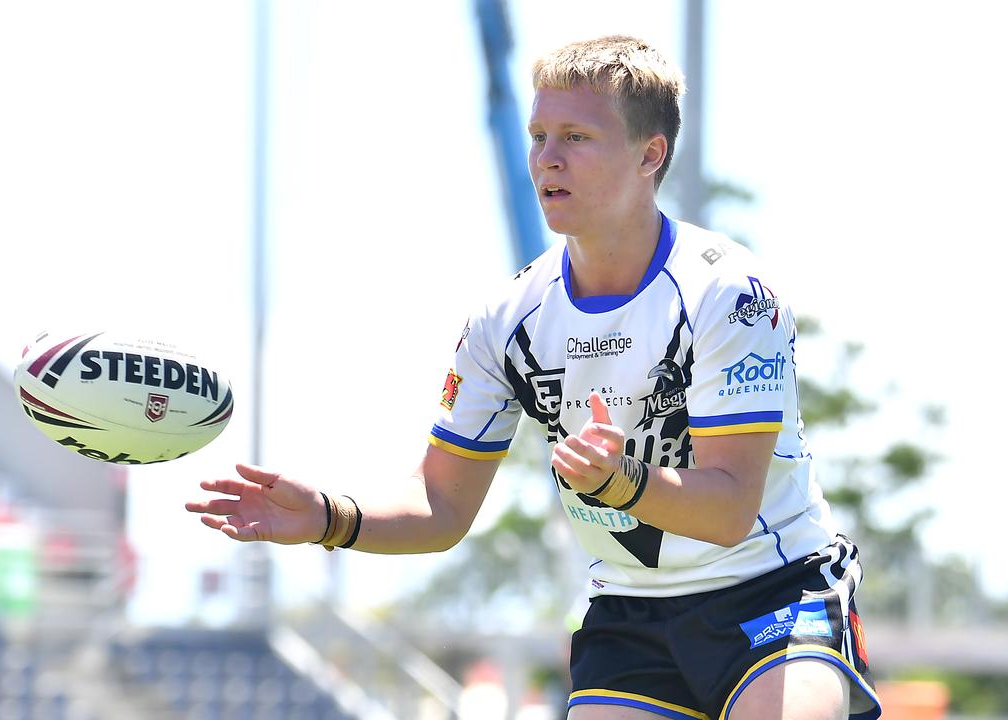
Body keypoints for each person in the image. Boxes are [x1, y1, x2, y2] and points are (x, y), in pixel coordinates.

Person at [187, 34, 880, 720]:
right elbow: (441, 507)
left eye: (576, 136)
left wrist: (622, 483)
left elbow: (731, 511)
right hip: (633, 614)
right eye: (539, 134)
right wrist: (331, 518)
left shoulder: (729, 293)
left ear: (650, 155)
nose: (547, 158)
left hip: (772, 594)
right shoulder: (504, 318)